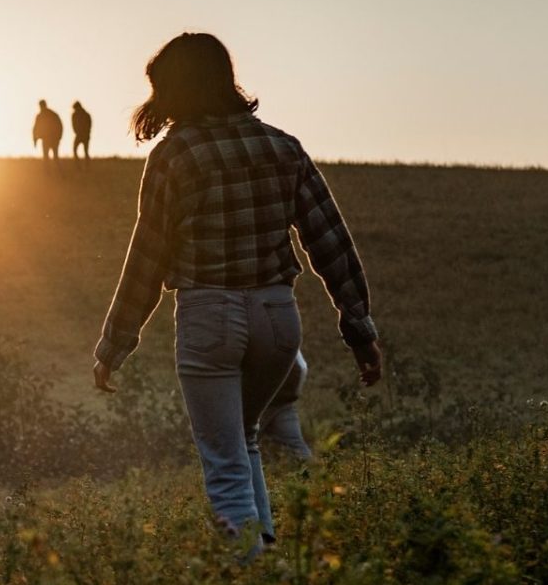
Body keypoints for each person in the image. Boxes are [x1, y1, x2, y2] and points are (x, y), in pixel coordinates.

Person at [91, 33, 381, 556]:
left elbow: (147, 257)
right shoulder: (282, 146)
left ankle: (250, 575)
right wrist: (358, 327)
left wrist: (114, 345)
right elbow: (330, 240)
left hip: (209, 317)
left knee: (225, 465)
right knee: (243, 442)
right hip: (276, 316)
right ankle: (266, 558)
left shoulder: (174, 156)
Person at [257, 353, 312, 461]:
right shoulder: (286, 338)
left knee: (243, 445)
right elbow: (302, 367)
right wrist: (293, 394)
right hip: (284, 403)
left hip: (258, 405)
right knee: (298, 447)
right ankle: (318, 474)